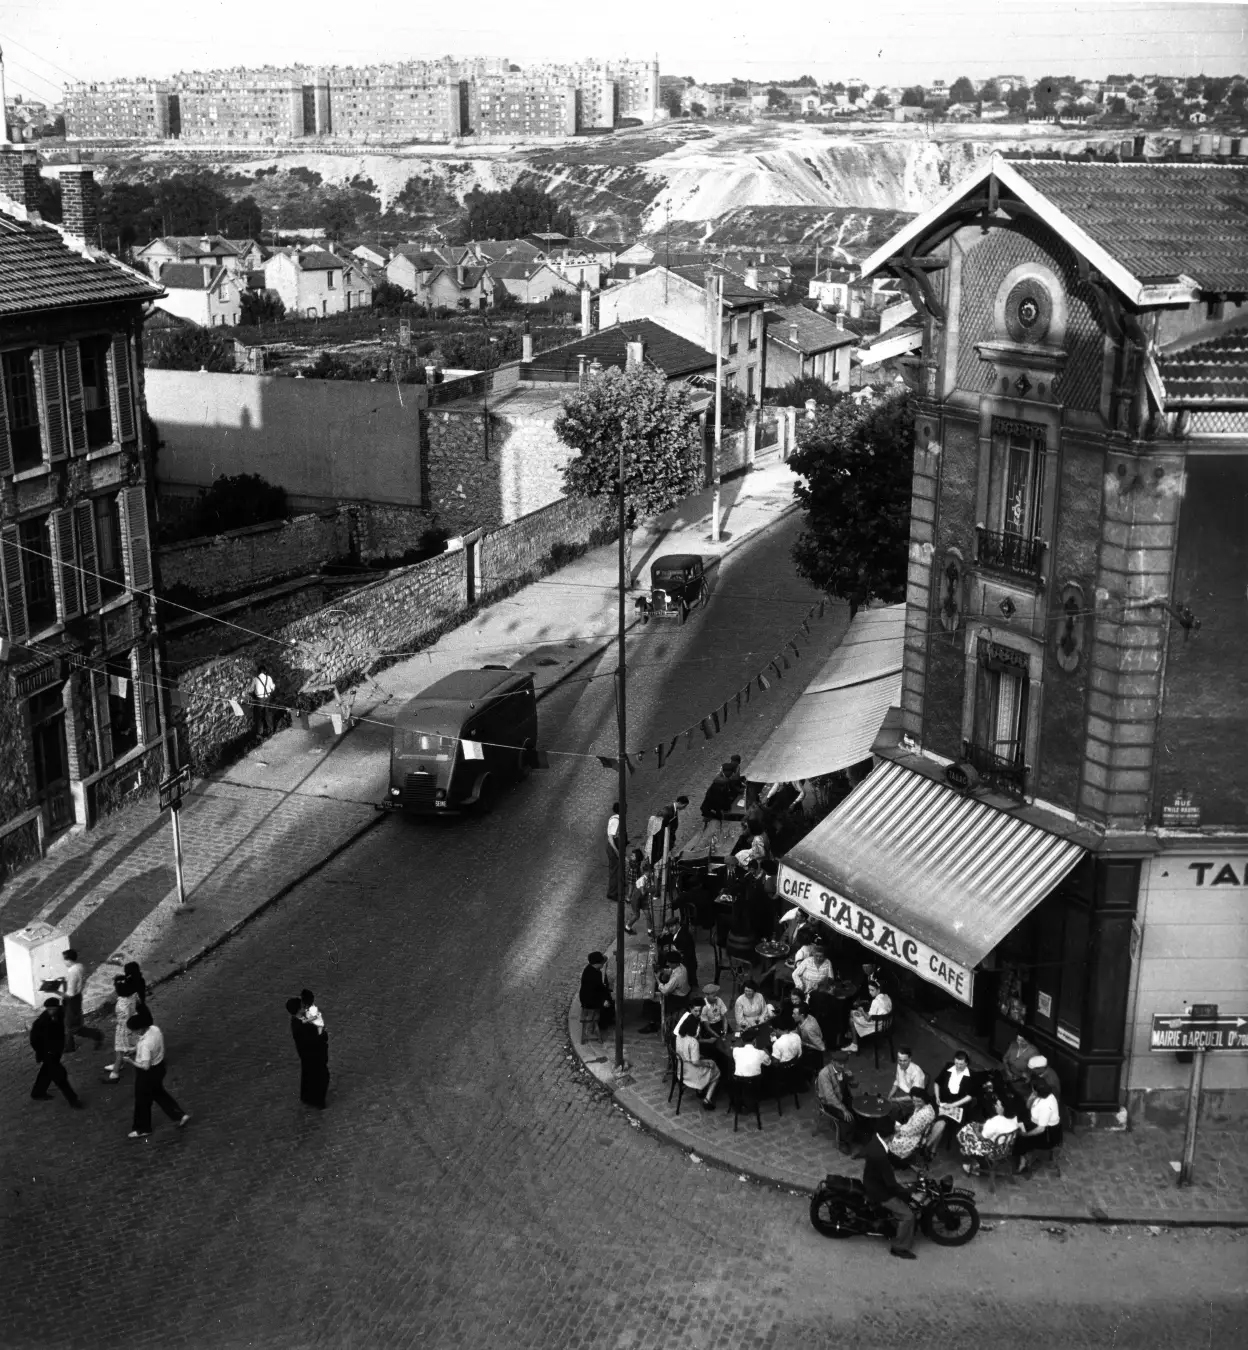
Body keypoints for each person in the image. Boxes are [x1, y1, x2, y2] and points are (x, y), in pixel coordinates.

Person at [122, 1015, 190, 1138]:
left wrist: (130, 1061)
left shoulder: (145, 1044)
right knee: (159, 1093)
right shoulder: (154, 1029)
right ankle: (179, 1115)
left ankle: (143, 1128)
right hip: (159, 1067)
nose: (132, 1033)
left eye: (133, 1031)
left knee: (142, 1100)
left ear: (140, 1029)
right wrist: (135, 1049)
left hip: (147, 1074)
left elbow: (145, 1066)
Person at [862, 1119, 917, 1259]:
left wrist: (907, 1164)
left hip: (871, 1180)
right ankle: (899, 1247)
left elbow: (890, 1156)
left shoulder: (877, 1140)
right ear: (891, 1136)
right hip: (879, 1191)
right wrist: (908, 1193)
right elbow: (891, 1184)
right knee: (908, 1215)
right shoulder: (880, 1155)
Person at [30, 999, 83, 1108]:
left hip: (56, 1051)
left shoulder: (62, 1014)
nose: (50, 1011)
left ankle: (38, 1092)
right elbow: (34, 1040)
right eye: (48, 1009)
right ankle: (73, 1100)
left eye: (52, 1009)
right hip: (47, 1053)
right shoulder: (42, 1022)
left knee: (46, 1071)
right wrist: (42, 1052)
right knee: (59, 1076)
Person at [927, 1051, 976, 1151]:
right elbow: (937, 1082)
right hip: (943, 1099)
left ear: (966, 1063)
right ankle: (932, 1148)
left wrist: (953, 1105)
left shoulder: (972, 1075)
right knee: (931, 1115)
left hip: (958, 1104)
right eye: (956, 1063)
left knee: (942, 1122)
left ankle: (928, 1145)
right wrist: (937, 1097)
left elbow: (970, 1096)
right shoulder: (948, 1067)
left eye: (961, 1064)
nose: (958, 1066)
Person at [286, 997, 329, 1107]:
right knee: (320, 1077)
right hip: (313, 1054)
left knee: (309, 1075)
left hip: (307, 1055)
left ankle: (308, 1097)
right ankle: (318, 1101)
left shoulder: (298, 1021)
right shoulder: (301, 1027)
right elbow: (314, 1039)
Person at [59, 948, 103, 1052]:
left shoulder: (72, 972)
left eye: (64, 960)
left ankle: (96, 1035)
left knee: (73, 1026)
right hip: (77, 997)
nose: (63, 962)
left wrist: (55, 991)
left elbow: (70, 993)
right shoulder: (80, 966)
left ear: (69, 960)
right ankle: (69, 1045)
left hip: (72, 1000)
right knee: (68, 1023)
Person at [1014, 1077, 1062, 1173]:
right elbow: (1028, 1106)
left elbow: (1041, 1129)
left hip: (1048, 1134)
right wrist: (1031, 1097)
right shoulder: (1039, 1095)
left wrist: (1026, 1134)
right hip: (1035, 1122)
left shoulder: (1046, 1106)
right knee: (1019, 1118)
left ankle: (1023, 1164)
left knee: (1020, 1138)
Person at [958, 1107, 1023, 1175]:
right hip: (1004, 1148)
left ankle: (968, 1158)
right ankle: (967, 1151)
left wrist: (976, 1130)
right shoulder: (1015, 1120)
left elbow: (982, 1137)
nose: (996, 1105)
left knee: (966, 1131)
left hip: (993, 1149)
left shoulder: (995, 1122)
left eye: (998, 1105)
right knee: (972, 1127)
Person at [675, 1019, 721, 1109]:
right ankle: (707, 1099)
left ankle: (700, 1091)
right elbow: (695, 1062)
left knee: (705, 1059)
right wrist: (708, 1064)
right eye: (698, 1028)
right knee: (716, 1071)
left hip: (681, 1069)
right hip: (692, 1073)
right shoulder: (693, 1041)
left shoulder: (679, 1036)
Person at [815, 1057, 855, 1153]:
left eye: (844, 1063)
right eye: (840, 1063)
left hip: (843, 1098)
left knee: (857, 1110)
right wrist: (844, 1109)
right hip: (829, 1103)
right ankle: (842, 1142)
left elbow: (853, 1085)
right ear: (833, 1062)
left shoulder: (843, 1070)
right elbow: (830, 1097)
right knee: (847, 1118)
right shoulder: (824, 1074)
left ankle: (856, 1133)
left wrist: (851, 1079)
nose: (843, 1066)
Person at [888, 1088, 936, 1165]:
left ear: (925, 1099)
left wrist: (898, 1130)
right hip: (913, 1130)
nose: (915, 1103)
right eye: (914, 1100)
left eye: (919, 1101)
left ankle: (895, 1160)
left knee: (889, 1137)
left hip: (914, 1137)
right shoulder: (927, 1106)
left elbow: (912, 1131)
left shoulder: (923, 1115)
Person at [106, 976, 140, 1082]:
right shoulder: (134, 995)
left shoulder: (121, 1004)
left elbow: (123, 1020)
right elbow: (138, 1004)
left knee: (120, 1051)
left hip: (123, 1030)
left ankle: (115, 1073)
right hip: (133, 1026)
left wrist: (115, 1020)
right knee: (135, 1043)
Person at [847, 982, 892, 1051]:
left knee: (851, 1019)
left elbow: (868, 1019)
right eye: (869, 990)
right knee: (854, 1013)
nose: (870, 992)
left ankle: (854, 1044)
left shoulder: (875, 1001)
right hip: (886, 1023)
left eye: (872, 990)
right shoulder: (886, 996)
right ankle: (853, 1033)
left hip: (877, 1025)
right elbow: (876, 1013)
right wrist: (862, 1014)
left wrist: (862, 1011)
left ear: (878, 990)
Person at [647, 796, 688, 866]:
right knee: (658, 854)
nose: (684, 808)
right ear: (680, 803)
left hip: (665, 838)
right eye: (684, 806)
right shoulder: (667, 811)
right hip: (661, 839)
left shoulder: (673, 810)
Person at [579, 952, 614, 1031]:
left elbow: (598, 988)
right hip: (589, 1001)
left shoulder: (591, 969)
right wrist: (603, 1001)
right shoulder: (592, 976)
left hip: (592, 996)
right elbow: (592, 994)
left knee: (609, 999)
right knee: (607, 1005)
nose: (603, 964)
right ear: (598, 964)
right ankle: (602, 1024)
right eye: (602, 963)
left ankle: (607, 1019)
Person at [625, 849, 653, 936]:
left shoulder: (649, 879)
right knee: (636, 915)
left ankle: (650, 931)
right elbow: (643, 892)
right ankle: (627, 927)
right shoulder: (642, 880)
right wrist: (651, 889)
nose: (652, 873)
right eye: (651, 872)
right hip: (636, 899)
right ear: (647, 872)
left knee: (648, 915)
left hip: (643, 900)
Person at [671, 911, 698, 989]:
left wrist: (675, 950)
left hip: (688, 964)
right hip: (687, 961)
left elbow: (685, 954)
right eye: (669, 927)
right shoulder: (680, 932)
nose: (670, 929)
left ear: (677, 925)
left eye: (672, 926)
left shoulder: (683, 937)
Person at [253, 664, 278, 735]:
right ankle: (271, 729)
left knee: (259, 715)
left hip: (259, 699)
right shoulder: (269, 678)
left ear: (258, 672)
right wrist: (272, 688)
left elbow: (251, 689)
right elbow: (272, 687)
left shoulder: (255, 679)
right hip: (268, 697)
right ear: (265, 671)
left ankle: (260, 732)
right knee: (268, 713)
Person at [605, 802, 621, 905]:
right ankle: (612, 893)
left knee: (616, 870)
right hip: (613, 848)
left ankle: (615, 889)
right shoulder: (616, 820)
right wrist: (617, 851)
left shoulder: (615, 818)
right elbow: (611, 838)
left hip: (615, 847)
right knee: (615, 871)